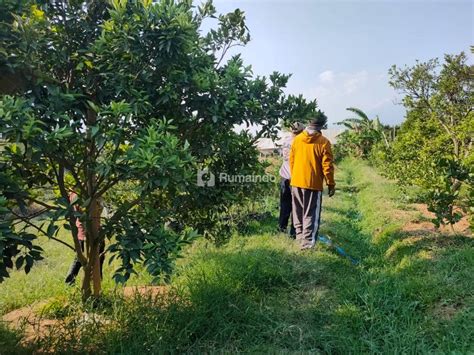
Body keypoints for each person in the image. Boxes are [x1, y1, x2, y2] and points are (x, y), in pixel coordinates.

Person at [289, 115, 335, 250]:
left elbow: (292, 161)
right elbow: (327, 166)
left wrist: (295, 177)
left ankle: (299, 238)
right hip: (312, 183)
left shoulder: (297, 140)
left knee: (298, 211)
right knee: (310, 213)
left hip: (296, 181)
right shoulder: (323, 142)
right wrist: (330, 183)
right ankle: (307, 244)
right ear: (322, 125)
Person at [65, 192, 105, 285]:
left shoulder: (75, 194)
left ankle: (94, 283)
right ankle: (94, 283)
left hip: (91, 230)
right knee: (86, 259)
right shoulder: (80, 195)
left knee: (85, 258)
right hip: (86, 232)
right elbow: (84, 212)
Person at [278, 121, 305, 237]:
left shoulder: (285, 140)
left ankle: (281, 228)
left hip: (284, 176)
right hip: (296, 178)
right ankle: (294, 233)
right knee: (296, 206)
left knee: (284, 205)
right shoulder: (301, 142)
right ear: (301, 131)